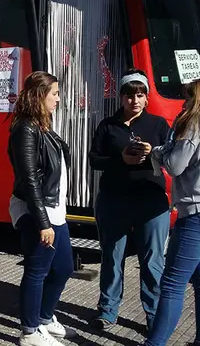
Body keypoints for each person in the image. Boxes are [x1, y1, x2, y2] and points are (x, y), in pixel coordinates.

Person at [88, 69, 171, 332]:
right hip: (114, 199)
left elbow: (173, 157)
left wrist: (154, 152)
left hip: (151, 201)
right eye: (129, 95)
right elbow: (94, 159)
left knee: (153, 261)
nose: (134, 100)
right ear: (121, 97)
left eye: (140, 95)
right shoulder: (107, 125)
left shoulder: (158, 124)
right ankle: (107, 311)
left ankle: (154, 315)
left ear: (146, 98)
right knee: (112, 258)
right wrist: (120, 159)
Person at [8, 71, 74, 346]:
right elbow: (29, 179)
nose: (58, 99)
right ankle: (30, 332)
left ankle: (45, 318)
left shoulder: (42, 125)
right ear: (39, 96)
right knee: (37, 270)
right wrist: (43, 223)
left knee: (64, 267)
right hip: (36, 211)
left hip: (54, 209)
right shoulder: (25, 128)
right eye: (54, 93)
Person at [142, 79, 200, 345]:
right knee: (198, 281)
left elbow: (175, 165)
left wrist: (158, 153)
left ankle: (154, 343)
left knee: (172, 284)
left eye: (187, 98)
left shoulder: (193, 125)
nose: (183, 104)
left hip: (195, 213)